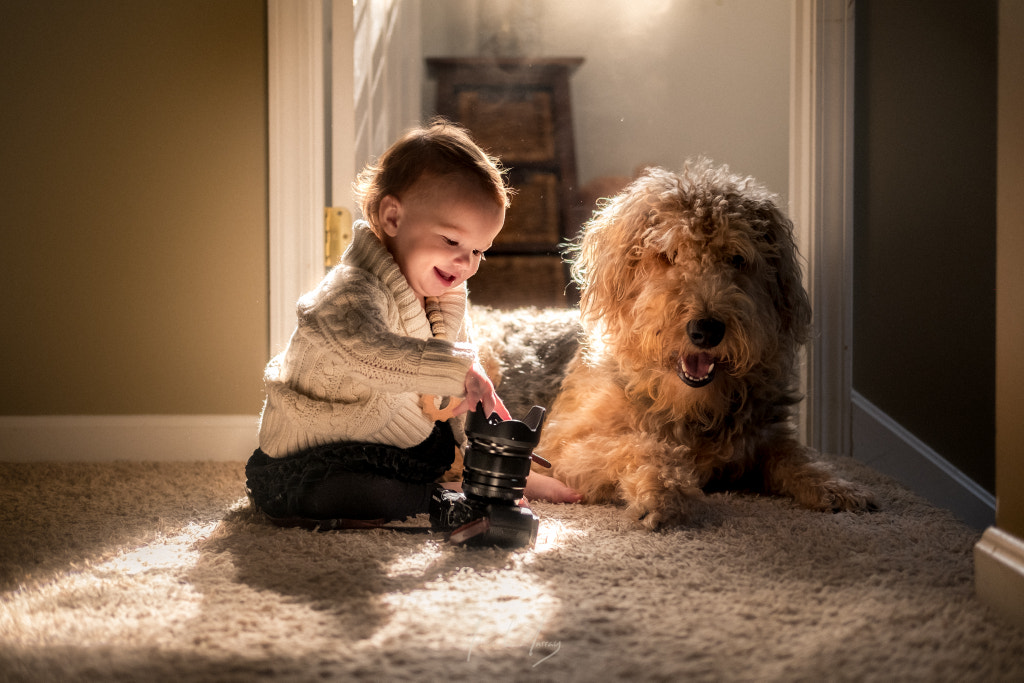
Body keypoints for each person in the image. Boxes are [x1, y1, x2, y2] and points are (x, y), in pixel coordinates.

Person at [245, 118, 579, 528]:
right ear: (392, 218)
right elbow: (373, 356)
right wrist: (459, 369)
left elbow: (454, 399)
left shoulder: (446, 299)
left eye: (478, 251)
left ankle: (485, 483)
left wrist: (489, 445)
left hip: (387, 444)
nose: (465, 263)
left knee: (439, 444)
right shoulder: (349, 292)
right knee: (358, 494)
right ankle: (439, 498)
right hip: (310, 459)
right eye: (452, 241)